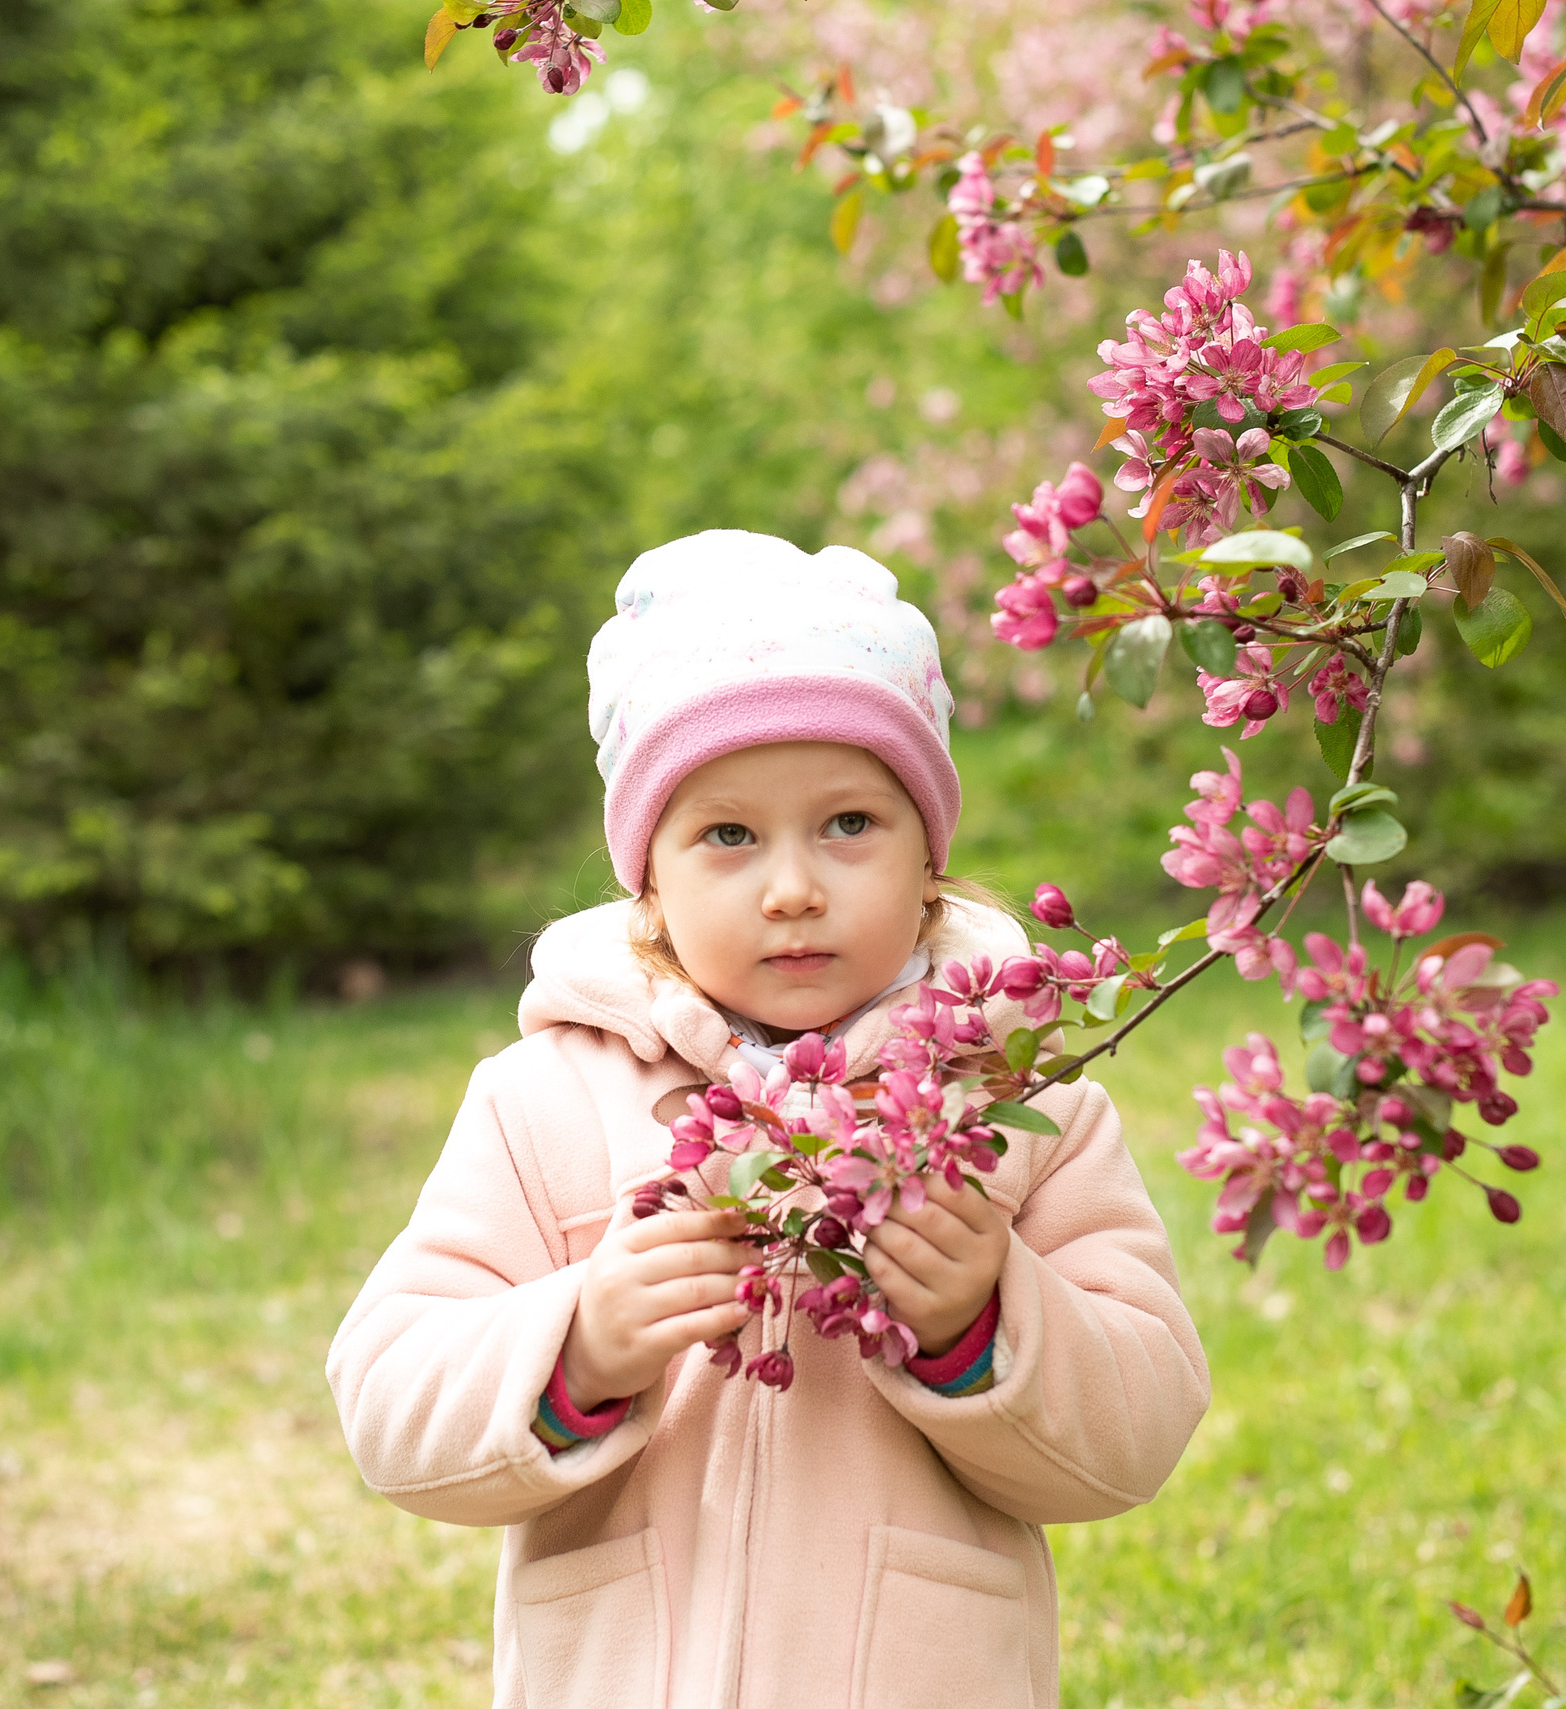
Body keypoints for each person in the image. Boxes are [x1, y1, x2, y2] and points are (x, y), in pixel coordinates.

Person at [326, 530, 1208, 1709]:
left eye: (849, 822)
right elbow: (390, 1403)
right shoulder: (546, 1102)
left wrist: (986, 1318)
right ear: (651, 881)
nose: (792, 885)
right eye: (728, 834)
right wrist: (581, 1342)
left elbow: (1138, 1427)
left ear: (930, 862)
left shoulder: (1022, 1107)